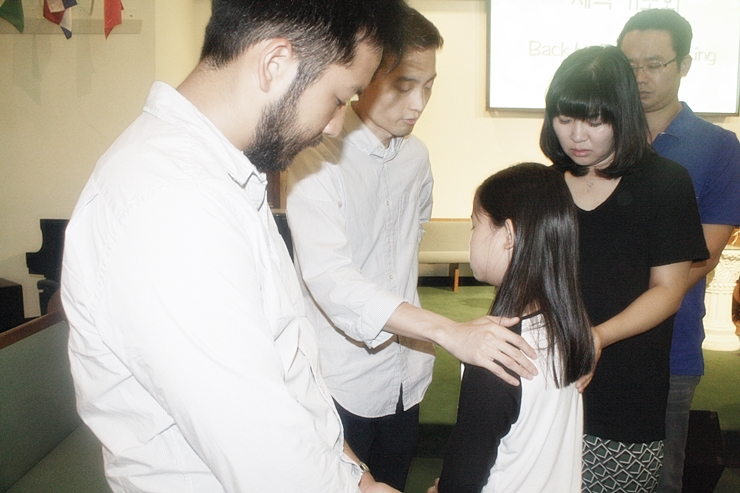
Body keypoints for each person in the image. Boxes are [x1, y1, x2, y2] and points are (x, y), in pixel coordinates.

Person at [61, 1, 413, 492]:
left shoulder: (222, 177)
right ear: (275, 63)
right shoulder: (170, 201)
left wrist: (359, 479)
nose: (336, 125)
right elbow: (267, 459)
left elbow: (293, 377)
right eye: (339, 98)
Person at [285, 9, 537, 491]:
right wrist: (447, 329)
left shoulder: (416, 156)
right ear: (363, 73)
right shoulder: (315, 158)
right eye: (403, 85)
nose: (418, 103)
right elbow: (332, 280)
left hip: (408, 372)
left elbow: (412, 234)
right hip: (341, 376)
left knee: (395, 480)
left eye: (429, 86)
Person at [539, 45, 709, 492]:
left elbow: (668, 290)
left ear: (623, 115)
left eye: (595, 121)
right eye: (565, 118)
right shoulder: (544, 185)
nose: (577, 135)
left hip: (627, 388)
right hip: (549, 384)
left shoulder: (665, 183)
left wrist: (597, 337)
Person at [617, 10, 740, 492]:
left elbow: (705, 255)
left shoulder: (718, 146)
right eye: (629, 65)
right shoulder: (599, 136)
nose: (639, 77)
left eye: (654, 64)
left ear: (684, 64)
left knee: (661, 478)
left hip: (671, 345)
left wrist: (633, 309)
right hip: (592, 340)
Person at [429, 163, 595, 493]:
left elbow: (463, 479)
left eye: (475, 226)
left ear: (508, 235)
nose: (472, 238)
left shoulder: (495, 354)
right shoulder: (568, 325)